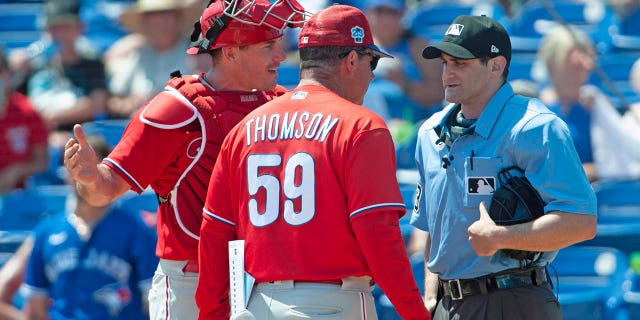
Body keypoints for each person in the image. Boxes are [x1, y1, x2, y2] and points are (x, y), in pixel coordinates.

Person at [63, 0, 308, 318]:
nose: (280, 56)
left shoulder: (284, 106)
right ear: (231, 52)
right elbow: (104, 191)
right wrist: (90, 178)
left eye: (279, 44)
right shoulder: (178, 108)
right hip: (190, 280)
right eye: (268, 46)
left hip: (269, 279)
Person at [197, 4, 430, 320]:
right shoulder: (361, 125)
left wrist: (211, 314)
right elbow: (377, 233)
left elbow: (215, 234)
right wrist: (415, 313)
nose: (373, 74)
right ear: (350, 61)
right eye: (370, 60)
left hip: (257, 305)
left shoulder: (244, 129)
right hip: (333, 304)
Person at [411, 15, 597, 319]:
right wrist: (431, 295)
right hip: (448, 305)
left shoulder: (536, 127)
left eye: (461, 63)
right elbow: (435, 226)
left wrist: (500, 237)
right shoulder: (430, 132)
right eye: (445, 63)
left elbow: (581, 221)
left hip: (512, 300)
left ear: (495, 67)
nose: (448, 73)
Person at [19, 135, 158, 320]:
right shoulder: (46, 231)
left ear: (106, 174)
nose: (83, 176)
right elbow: (36, 307)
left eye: (92, 168)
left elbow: (152, 301)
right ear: (66, 173)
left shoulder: (137, 229)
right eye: (75, 166)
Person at [105, 0, 203, 119]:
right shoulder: (137, 53)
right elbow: (112, 99)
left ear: (178, 19)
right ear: (145, 22)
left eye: (166, 14)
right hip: (138, 125)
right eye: (153, 16)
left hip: (183, 125)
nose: (161, 21)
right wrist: (127, 104)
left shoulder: (196, 53)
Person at [27, 0, 108, 142]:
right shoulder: (32, 66)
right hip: (38, 138)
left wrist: (52, 117)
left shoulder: (92, 65)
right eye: (54, 27)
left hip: (79, 136)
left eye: (65, 27)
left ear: (79, 28)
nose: (59, 34)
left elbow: (97, 103)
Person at [537, 25, 600, 182]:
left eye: (584, 69)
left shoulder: (593, 107)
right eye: (572, 68)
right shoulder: (537, 111)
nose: (581, 77)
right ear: (552, 66)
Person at [0, 47, 49, 192]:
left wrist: (17, 170)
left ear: (8, 74)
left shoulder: (27, 111)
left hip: (18, 195)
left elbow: (41, 161)